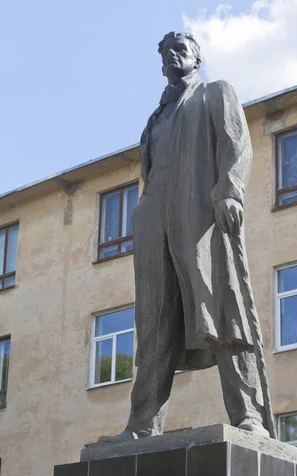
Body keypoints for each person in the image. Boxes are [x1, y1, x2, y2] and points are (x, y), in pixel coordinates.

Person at [99, 31, 274, 443]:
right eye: (166, 52)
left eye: (182, 49)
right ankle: (142, 424)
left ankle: (249, 415)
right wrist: (144, 214)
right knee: (154, 321)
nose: (174, 56)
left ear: (197, 57)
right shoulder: (155, 118)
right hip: (154, 221)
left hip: (200, 219)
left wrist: (230, 191)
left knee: (222, 310)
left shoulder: (215, 93)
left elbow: (236, 144)